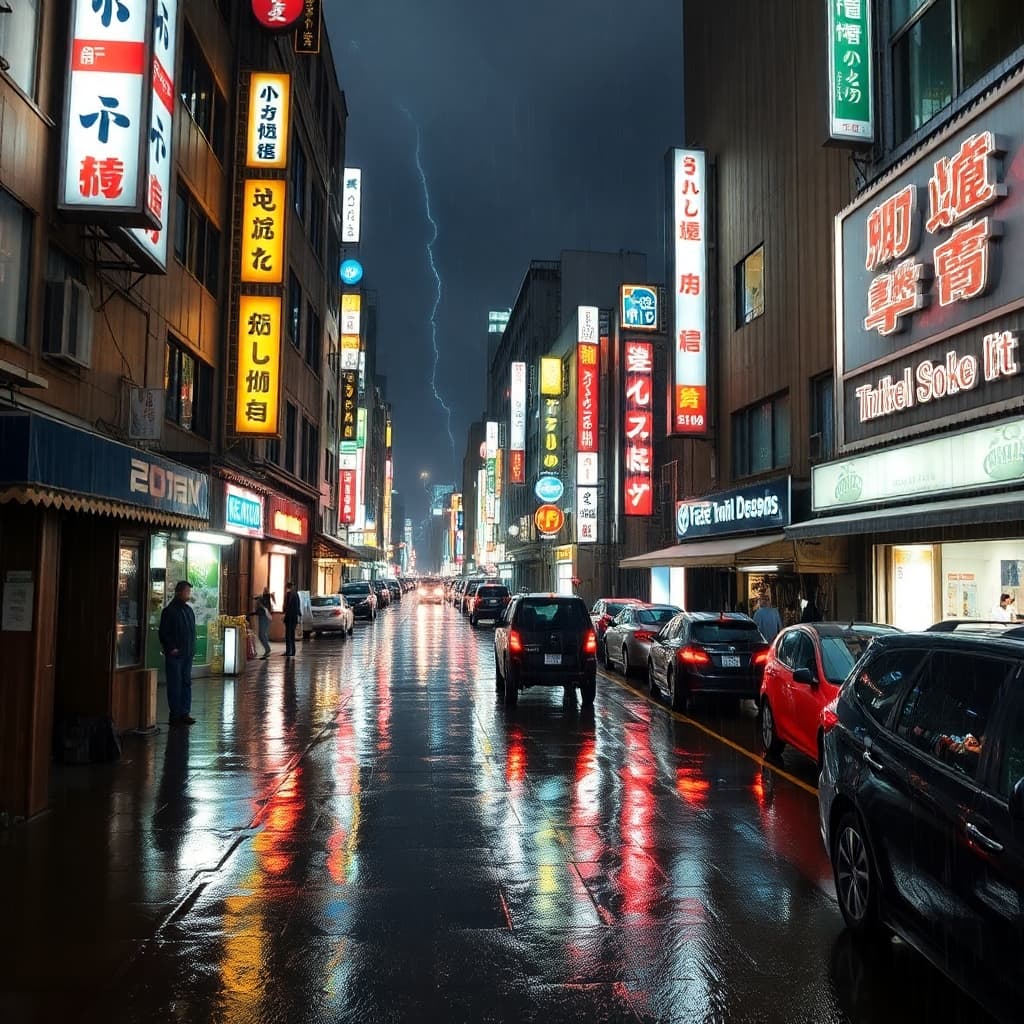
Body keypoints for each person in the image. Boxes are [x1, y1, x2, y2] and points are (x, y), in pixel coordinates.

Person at [159, 580, 197, 726]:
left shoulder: (188, 610)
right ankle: (175, 715)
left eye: (189, 591)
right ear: (179, 592)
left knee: (186, 683)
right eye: (187, 591)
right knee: (175, 684)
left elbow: (191, 631)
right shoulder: (169, 611)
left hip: (187, 654)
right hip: (176, 656)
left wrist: (191, 649)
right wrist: (171, 648)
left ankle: (184, 713)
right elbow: (164, 633)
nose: (189, 594)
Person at [252, 589, 272, 659]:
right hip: (263, 618)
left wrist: (255, 613)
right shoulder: (265, 599)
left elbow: (263, 610)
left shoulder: (264, 600)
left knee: (262, 634)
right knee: (262, 634)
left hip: (264, 618)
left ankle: (267, 649)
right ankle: (267, 649)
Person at [283, 581, 300, 657]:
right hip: (291, 618)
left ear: (287, 587)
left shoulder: (291, 595)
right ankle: (291, 651)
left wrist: (287, 614)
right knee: (290, 635)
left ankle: (290, 651)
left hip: (291, 618)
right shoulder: (294, 594)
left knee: (289, 635)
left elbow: (293, 607)